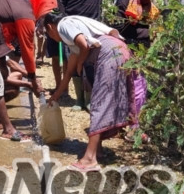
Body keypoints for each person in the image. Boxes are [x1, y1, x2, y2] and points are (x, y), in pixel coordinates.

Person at [46, 12, 135, 172]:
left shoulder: (64, 25)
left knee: (100, 103)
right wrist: (54, 98)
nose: (52, 38)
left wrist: (81, 63)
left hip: (110, 53)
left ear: (49, 28)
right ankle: (97, 150)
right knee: (104, 100)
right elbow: (67, 76)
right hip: (119, 50)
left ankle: (89, 159)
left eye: (49, 34)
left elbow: (84, 45)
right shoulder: (72, 41)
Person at [61, 0, 127, 111]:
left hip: (93, 25)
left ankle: (89, 99)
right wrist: (65, 23)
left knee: (90, 62)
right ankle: (79, 100)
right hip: (73, 26)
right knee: (74, 62)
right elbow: (62, 1)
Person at [0, 0, 43, 142]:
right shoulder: (24, 14)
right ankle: (8, 129)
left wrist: (29, 77)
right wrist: (31, 80)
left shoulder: (14, 6)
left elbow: (9, 60)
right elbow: (28, 49)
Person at [37, 0, 68, 91]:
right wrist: (42, 21)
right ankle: (58, 85)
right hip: (51, 22)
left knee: (67, 56)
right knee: (55, 56)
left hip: (66, 21)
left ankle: (65, 87)